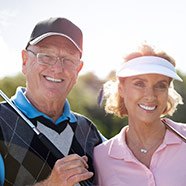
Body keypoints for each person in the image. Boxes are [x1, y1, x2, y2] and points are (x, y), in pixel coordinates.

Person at [0, 17, 104, 186]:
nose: (57, 68)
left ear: (78, 70)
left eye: (68, 59)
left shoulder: (89, 131)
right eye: (46, 56)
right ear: (25, 61)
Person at [93, 43, 186, 186]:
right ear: (121, 89)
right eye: (139, 84)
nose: (150, 96)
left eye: (161, 85)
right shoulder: (101, 157)